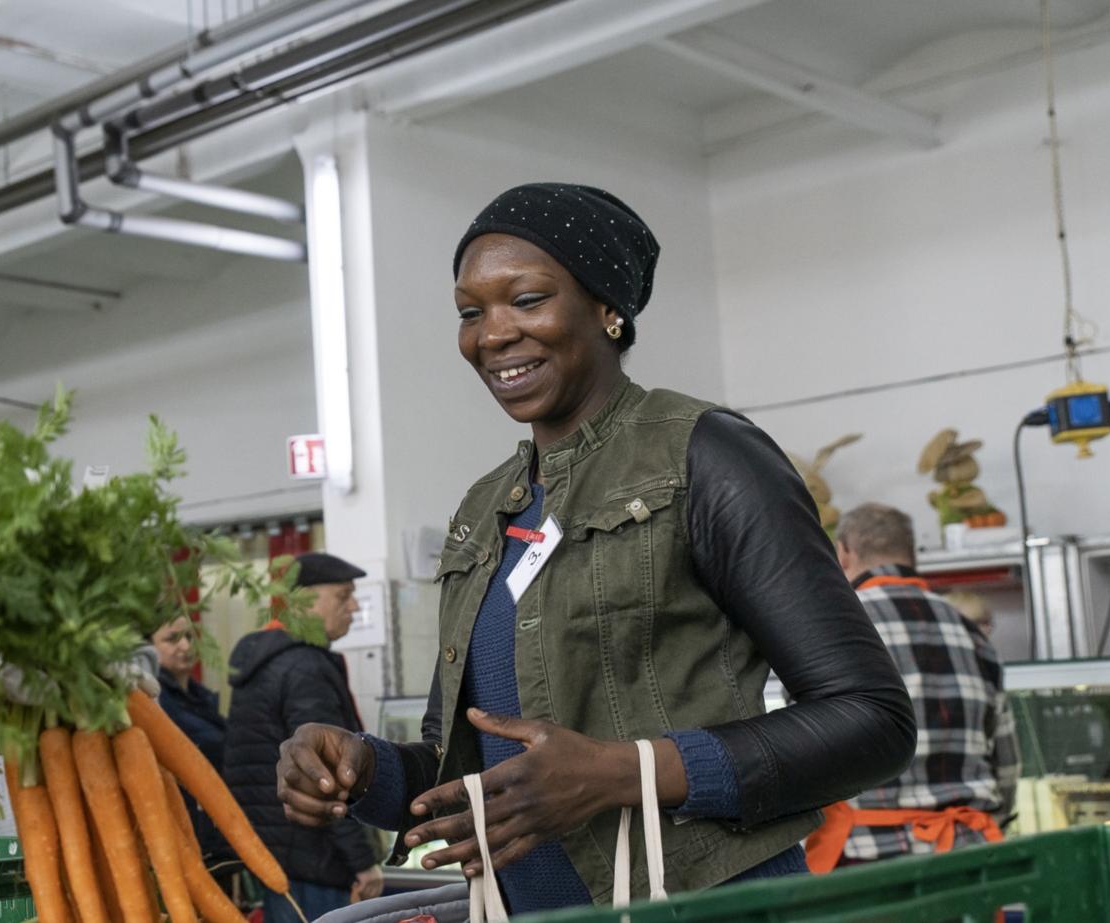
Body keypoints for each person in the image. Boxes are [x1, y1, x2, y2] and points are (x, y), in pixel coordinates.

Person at [273, 183, 916, 913]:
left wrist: (622, 772)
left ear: (609, 309)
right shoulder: (485, 510)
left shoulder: (706, 456)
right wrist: (360, 770)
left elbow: (871, 719)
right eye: (470, 312)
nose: (493, 334)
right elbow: (465, 769)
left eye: (527, 299)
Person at [802, 503, 1019, 871]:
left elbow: (805, 753)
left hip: (863, 860)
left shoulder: (831, 627)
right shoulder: (972, 633)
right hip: (966, 857)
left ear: (844, 553)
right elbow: (1007, 765)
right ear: (912, 553)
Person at [224, 552, 384, 922]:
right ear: (307, 600)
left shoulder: (266, 661)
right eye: (343, 596)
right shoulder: (304, 667)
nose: (355, 606)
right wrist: (362, 863)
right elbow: (326, 773)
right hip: (319, 860)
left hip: (281, 857)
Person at [153, 613, 233, 859]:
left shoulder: (202, 696)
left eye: (189, 636)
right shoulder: (154, 702)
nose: (185, 646)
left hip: (213, 832)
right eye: (172, 639)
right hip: (184, 833)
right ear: (148, 648)